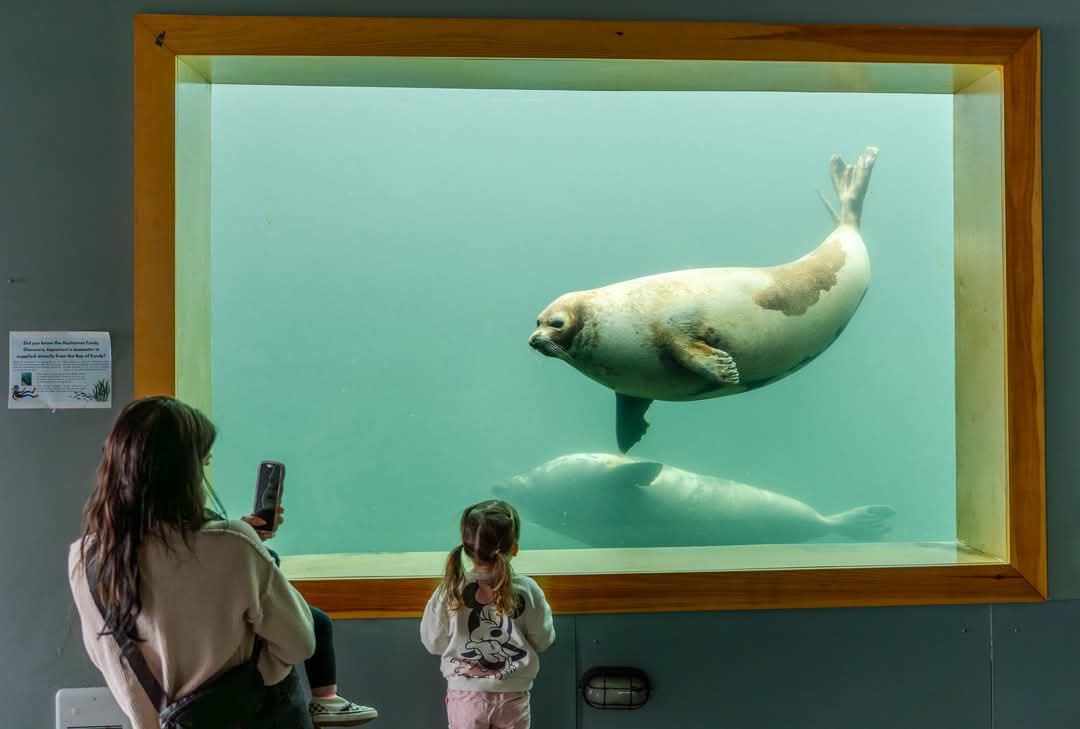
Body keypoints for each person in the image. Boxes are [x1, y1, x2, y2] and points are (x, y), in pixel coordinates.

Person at [67, 396, 371, 728]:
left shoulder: (87, 560)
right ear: (185, 472)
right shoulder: (233, 545)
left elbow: (112, 662)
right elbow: (300, 642)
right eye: (204, 463)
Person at [420, 500, 555, 729]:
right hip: (513, 695)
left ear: (467, 547)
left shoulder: (449, 590)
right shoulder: (527, 590)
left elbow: (433, 642)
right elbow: (543, 640)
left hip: (465, 696)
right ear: (514, 548)